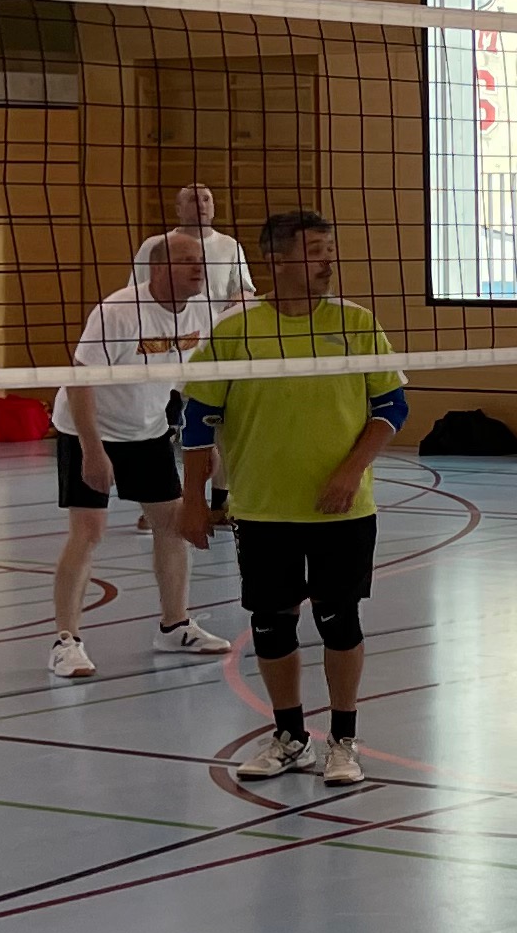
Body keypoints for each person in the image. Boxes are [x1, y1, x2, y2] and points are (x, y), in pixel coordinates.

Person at [177, 210, 406, 788]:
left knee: (339, 619)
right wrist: (192, 500)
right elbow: (199, 420)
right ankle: (290, 737)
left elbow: (392, 407)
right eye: (315, 251)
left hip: (342, 509)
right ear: (276, 260)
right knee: (271, 623)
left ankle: (343, 741)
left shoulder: (355, 322)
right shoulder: (234, 330)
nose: (328, 262)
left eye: (330, 250)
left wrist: (350, 471)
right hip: (262, 507)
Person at [50, 231, 236, 681]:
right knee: (88, 532)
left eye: (201, 260)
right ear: (158, 268)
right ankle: (66, 642)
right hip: (87, 428)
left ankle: (174, 627)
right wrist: (93, 451)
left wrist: (205, 444)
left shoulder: (203, 311)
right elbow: (79, 381)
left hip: (148, 431)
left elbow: (195, 385)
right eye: (187, 260)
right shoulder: (118, 311)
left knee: (172, 525)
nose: (199, 268)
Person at [134, 183, 255, 314]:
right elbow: (135, 292)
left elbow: (246, 291)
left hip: (216, 324)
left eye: (206, 199)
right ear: (179, 210)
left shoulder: (230, 246)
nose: (201, 205)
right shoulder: (154, 246)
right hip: (164, 323)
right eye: (193, 200)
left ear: (213, 208)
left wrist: (239, 301)